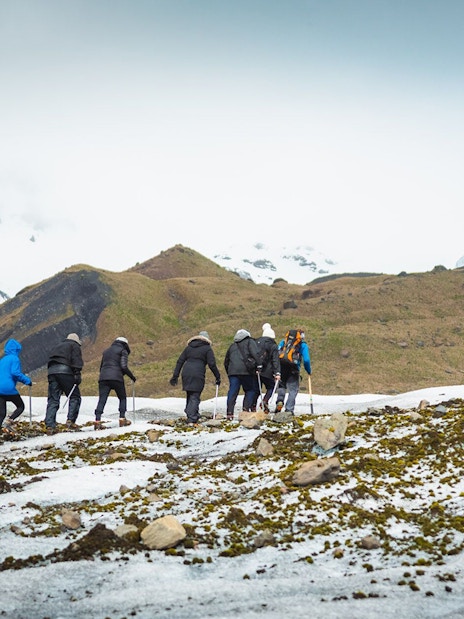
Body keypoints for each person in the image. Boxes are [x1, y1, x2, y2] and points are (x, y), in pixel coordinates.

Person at [169, 331, 221, 425]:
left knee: (190, 393)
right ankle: (192, 417)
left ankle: (192, 413)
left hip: (186, 372)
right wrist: (217, 376)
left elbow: (180, 361)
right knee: (195, 394)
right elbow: (212, 364)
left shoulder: (189, 348)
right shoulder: (207, 348)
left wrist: (175, 376)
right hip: (198, 372)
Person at [94, 337, 136, 430]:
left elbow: (102, 367)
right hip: (116, 378)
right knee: (122, 398)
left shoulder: (106, 351)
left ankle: (97, 421)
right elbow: (124, 366)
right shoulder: (123, 350)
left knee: (102, 399)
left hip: (103, 378)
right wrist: (132, 377)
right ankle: (122, 419)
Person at [45, 333, 83, 435]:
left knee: (53, 399)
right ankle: (71, 421)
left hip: (52, 372)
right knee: (74, 396)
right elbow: (76, 360)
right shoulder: (74, 345)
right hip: (65, 371)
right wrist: (77, 374)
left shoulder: (58, 346)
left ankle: (50, 425)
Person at [224, 329, 262, 420]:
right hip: (247, 372)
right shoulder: (250, 342)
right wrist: (259, 365)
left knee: (232, 392)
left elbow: (226, 361)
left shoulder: (232, 346)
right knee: (250, 390)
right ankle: (245, 410)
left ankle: (229, 413)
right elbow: (255, 353)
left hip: (233, 372)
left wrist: (229, 372)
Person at [275, 328, 311, 416]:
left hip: (282, 366)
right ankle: (289, 409)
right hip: (293, 368)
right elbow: (306, 360)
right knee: (293, 390)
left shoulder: (284, 342)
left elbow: (277, 354)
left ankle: (280, 401)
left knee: (281, 385)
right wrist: (308, 371)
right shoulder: (303, 345)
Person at [0, 339, 33, 435]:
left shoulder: (2, 360)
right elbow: (15, 373)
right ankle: (9, 421)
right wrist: (27, 381)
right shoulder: (14, 359)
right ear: (17, 349)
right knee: (20, 406)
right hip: (8, 388)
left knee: (1, 413)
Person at [251, 323, 281, 413]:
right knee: (271, 387)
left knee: (256, 389)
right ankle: (265, 401)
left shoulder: (256, 343)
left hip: (256, 370)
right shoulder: (273, 345)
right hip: (268, 371)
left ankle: (252, 407)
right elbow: (275, 360)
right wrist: (277, 372)